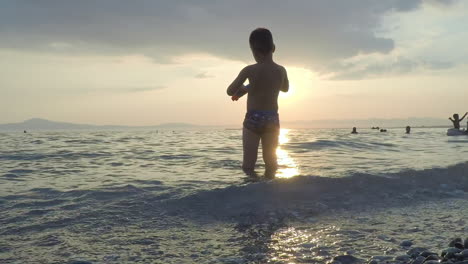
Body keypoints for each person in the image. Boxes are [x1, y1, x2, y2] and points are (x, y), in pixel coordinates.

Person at [227, 28, 289, 178]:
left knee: (248, 165)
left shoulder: (249, 70)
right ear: (273, 48)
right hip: (272, 119)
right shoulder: (281, 70)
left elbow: (230, 91)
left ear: (253, 51)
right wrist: (250, 87)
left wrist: (243, 88)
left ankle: (252, 190)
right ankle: (269, 191)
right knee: (271, 162)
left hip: (253, 118)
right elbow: (285, 89)